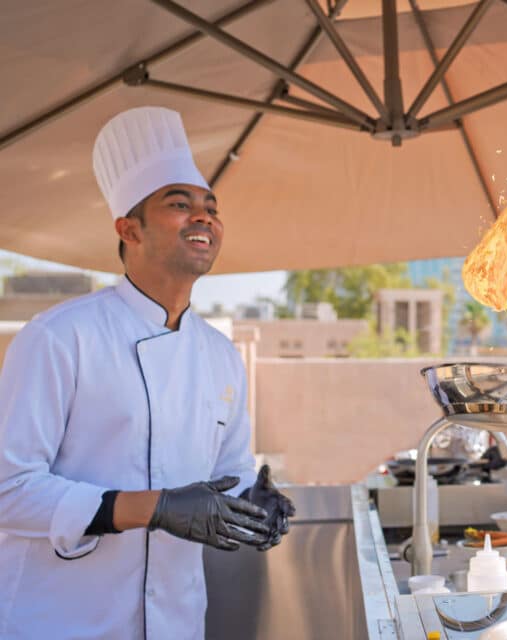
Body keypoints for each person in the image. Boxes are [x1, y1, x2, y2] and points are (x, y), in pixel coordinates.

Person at [0, 106, 295, 640]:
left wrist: (257, 502)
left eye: (210, 207)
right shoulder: (58, 338)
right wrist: (153, 508)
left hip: (176, 621)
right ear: (127, 228)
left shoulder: (220, 356)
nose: (203, 217)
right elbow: (9, 490)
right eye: (179, 204)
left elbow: (232, 470)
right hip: (59, 621)